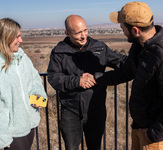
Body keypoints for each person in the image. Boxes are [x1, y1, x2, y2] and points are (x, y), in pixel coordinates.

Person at [95, 1, 163, 150]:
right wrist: (97, 78)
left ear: (135, 30)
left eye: (122, 28)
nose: (121, 31)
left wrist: (154, 134)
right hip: (140, 126)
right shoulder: (140, 46)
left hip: (156, 136)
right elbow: (126, 72)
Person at [47, 14, 126, 150]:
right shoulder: (59, 51)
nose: (83, 36)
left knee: (95, 147)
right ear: (67, 33)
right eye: (78, 33)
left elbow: (121, 62)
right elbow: (53, 77)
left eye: (85, 30)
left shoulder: (99, 48)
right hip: (70, 111)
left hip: (96, 109)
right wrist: (77, 81)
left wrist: (142, 60)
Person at [0, 18, 47, 150]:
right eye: (17, 37)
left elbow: (35, 79)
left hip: (30, 124)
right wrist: (2, 138)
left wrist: (38, 94)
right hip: (11, 132)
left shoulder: (22, 58)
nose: (21, 41)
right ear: (5, 37)